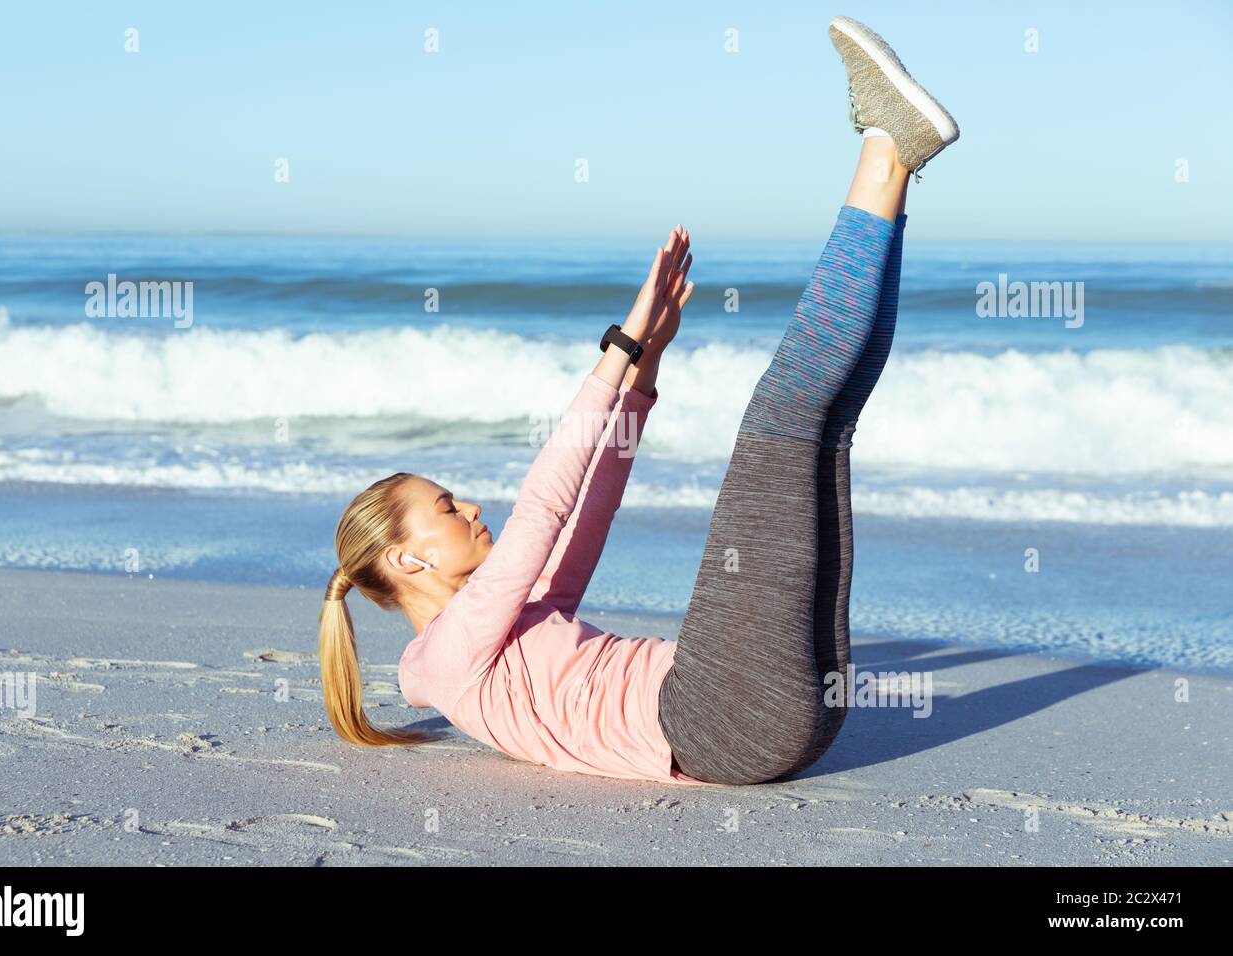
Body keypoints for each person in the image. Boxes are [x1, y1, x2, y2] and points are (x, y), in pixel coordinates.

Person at [317, 15, 959, 786]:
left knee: (823, 427)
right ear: (406, 558)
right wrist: (616, 349)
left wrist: (645, 368)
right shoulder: (447, 655)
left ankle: (893, 166)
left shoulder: (506, 625)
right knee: (781, 418)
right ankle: (885, 151)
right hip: (718, 717)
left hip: (772, 719)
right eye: (447, 509)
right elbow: (542, 506)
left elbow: (588, 510)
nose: (472, 511)